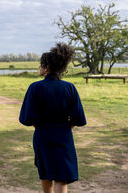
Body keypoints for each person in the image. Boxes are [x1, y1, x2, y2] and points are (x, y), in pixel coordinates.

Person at [19, 43, 86, 193]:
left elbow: (26, 118)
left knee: (46, 173)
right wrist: (66, 127)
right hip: (64, 136)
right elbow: (79, 118)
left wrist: (40, 126)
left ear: (47, 67)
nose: (39, 67)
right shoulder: (69, 88)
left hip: (42, 136)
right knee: (61, 177)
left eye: (40, 65)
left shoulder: (35, 88)